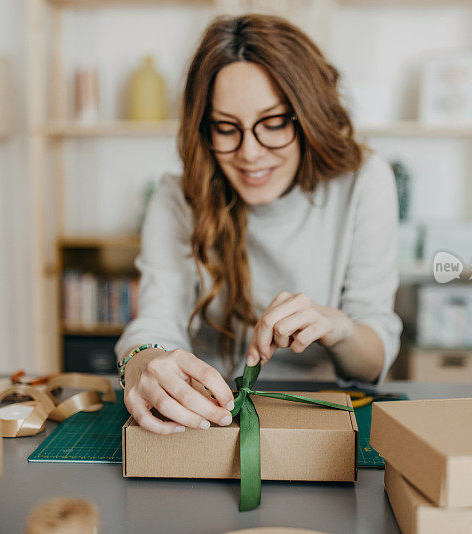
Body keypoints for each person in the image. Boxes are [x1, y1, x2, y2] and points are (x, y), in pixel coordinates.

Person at [116, 13, 402, 435]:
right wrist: (143, 363)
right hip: (209, 418)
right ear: (204, 128)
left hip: (326, 417)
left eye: (272, 123)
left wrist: (340, 328)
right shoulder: (177, 197)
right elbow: (155, 322)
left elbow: (374, 360)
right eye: (227, 128)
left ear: (308, 117)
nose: (250, 153)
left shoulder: (365, 181)